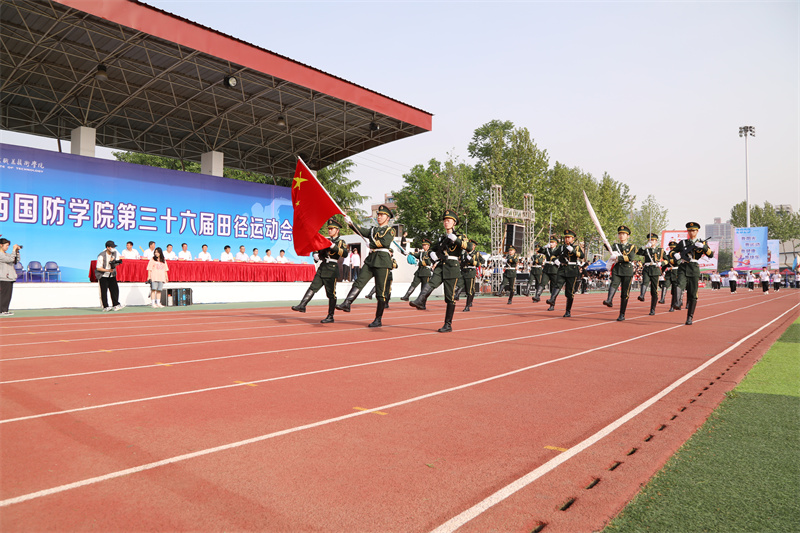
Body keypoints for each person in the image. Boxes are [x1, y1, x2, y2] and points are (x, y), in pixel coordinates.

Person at [409, 209, 474, 332]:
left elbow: (469, 247)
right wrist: (432, 254)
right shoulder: (441, 238)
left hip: (452, 267)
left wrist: (456, 239)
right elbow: (432, 249)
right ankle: (420, 300)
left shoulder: (460, 236)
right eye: (444, 220)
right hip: (441, 265)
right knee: (432, 282)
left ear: (454, 223)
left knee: (449, 297)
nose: (446, 222)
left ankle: (448, 324)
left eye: (449, 220)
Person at [337, 205, 397, 328]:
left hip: (382, 261)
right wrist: (351, 223)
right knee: (359, 281)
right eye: (378, 215)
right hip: (371, 260)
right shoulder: (373, 230)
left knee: (380, 292)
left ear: (388, 218)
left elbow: (385, 242)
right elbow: (362, 230)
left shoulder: (390, 230)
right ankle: (347, 303)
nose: (379, 217)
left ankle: (378, 319)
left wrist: (372, 244)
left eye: (382, 215)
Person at [292, 218, 349, 323]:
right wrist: (315, 254)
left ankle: (330, 316)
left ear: (337, 230)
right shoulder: (325, 240)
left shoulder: (341, 242)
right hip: (323, 266)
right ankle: (302, 305)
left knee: (331, 294)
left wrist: (333, 246)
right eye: (329, 229)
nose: (329, 230)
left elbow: (345, 253)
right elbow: (317, 248)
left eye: (332, 229)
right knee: (313, 287)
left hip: (332, 268)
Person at [670, 222, 714, 325]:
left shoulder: (702, 243)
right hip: (683, 267)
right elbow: (671, 252)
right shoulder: (683, 243)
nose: (691, 232)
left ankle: (690, 317)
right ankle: (678, 302)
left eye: (693, 230)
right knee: (679, 284)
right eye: (689, 230)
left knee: (693, 294)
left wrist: (703, 247)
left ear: (697, 231)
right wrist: (675, 254)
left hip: (694, 268)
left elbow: (711, 254)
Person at [602, 225, 639, 321]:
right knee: (614, 283)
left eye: (623, 234)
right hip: (617, 269)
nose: (621, 236)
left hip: (627, 270)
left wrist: (618, 257)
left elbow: (630, 257)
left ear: (628, 236)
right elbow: (609, 249)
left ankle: (622, 314)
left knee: (624, 293)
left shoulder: (632, 247)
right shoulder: (615, 246)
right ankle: (609, 300)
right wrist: (605, 243)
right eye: (620, 234)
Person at [547, 229, 585, 317]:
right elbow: (552, 255)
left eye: (569, 237)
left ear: (573, 239)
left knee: (569, 292)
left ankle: (568, 311)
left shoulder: (576, 247)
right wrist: (555, 260)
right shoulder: (561, 247)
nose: (567, 239)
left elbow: (582, 256)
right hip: (562, 269)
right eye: (566, 237)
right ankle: (552, 299)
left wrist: (573, 251)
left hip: (572, 270)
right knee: (557, 284)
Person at [636, 232, 664, 316]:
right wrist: (645, 246)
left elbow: (666, 260)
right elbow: (638, 252)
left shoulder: (660, 250)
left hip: (655, 269)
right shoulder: (646, 249)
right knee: (645, 282)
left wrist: (661, 263)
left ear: (656, 241)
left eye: (653, 240)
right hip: (647, 268)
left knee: (654, 290)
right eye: (650, 240)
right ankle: (642, 295)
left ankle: (652, 309)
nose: (652, 242)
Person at [401, 238, 433, 302]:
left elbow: (428, 262)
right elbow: (415, 254)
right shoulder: (421, 253)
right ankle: (406, 296)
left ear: (428, 246)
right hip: (419, 271)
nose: (423, 246)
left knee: (424, 288)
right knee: (413, 284)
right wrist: (408, 253)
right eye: (423, 245)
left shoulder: (430, 253)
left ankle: (422, 302)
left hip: (426, 272)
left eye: (425, 245)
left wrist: (419, 263)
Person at [95, 240, 124, 312]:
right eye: (112, 247)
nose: (113, 248)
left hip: (112, 275)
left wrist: (114, 262)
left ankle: (116, 304)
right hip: (103, 275)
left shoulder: (114, 253)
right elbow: (98, 268)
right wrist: (107, 270)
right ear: (107, 247)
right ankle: (105, 306)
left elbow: (116, 263)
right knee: (104, 291)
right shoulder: (101, 255)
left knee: (115, 290)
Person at [532, 236, 560, 303]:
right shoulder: (547, 249)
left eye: (553, 242)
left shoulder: (558, 250)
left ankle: (552, 301)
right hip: (547, 269)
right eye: (550, 242)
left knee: (553, 286)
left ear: (556, 244)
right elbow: (539, 251)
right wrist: (544, 247)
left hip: (554, 269)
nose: (551, 244)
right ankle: (537, 296)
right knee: (542, 283)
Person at [459, 239, 483, 312]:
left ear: (474, 246)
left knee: (470, 290)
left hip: (471, 271)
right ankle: (457, 295)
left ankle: (467, 305)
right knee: (460, 285)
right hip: (463, 271)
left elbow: (482, 261)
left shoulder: (476, 253)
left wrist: (474, 262)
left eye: (472, 245)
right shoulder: (463, 253)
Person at [0, 238, 22, 316]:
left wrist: (17, 251)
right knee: (4, 295)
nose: (7, 247)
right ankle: (2, 310)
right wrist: (13, 250)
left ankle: (5, 310)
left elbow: (16, 260)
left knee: (8, 296)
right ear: (1, 245)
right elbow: (10, 259)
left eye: (8, 246)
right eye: (6, 245)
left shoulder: (7, 254)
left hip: (9, 278)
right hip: (3, 277)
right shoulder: (1, 255)